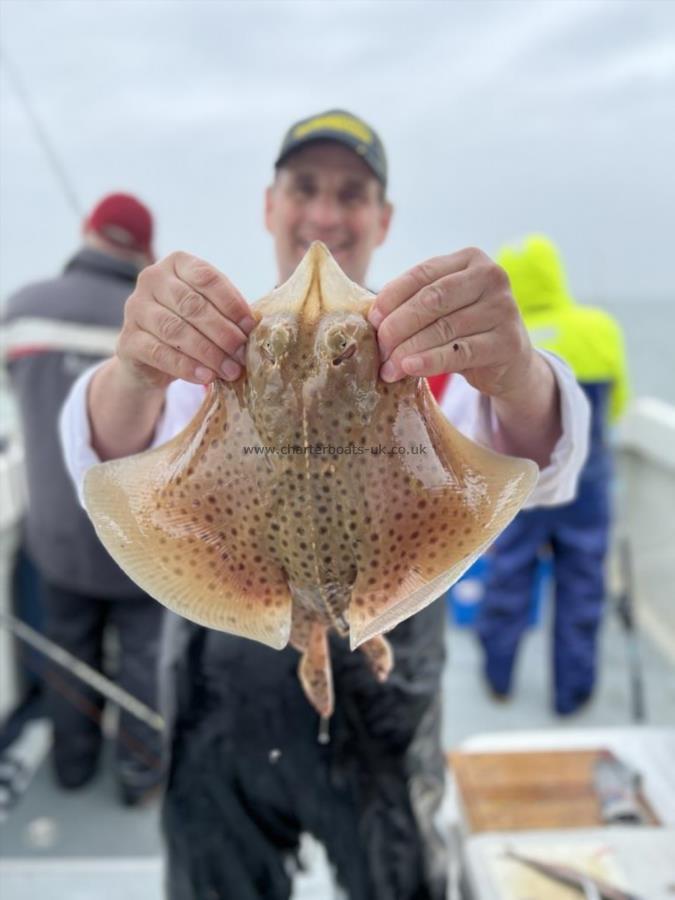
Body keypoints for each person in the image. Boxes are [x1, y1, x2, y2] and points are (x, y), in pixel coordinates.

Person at [60, 112, 589, 899]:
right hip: (225, 682)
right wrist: (134, 370)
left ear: (383, 218)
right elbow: (105, 460)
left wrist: (516, 371)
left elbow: (535, 467)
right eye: (303, 189)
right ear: (269, 206)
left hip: (389, 691)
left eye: (351, 193)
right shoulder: (211, 358)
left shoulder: (429, 360)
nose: (324, 216)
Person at [3, 193, 165, 804]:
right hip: (140, 546)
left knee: (69, 651)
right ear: (146, 249)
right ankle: (141, 778)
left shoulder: (21, 310)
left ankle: (72, 767)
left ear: (87, 231)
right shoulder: (152, 320)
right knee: (145, 661)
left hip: (55, 534)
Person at [475, 234, 629, 715]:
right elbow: (617, 403)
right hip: (588, 481)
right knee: (582, 586)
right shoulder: (597, 328)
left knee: (510, 575)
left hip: (523, 485)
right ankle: (572, 695)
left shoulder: (505, 339)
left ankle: (498, 678)